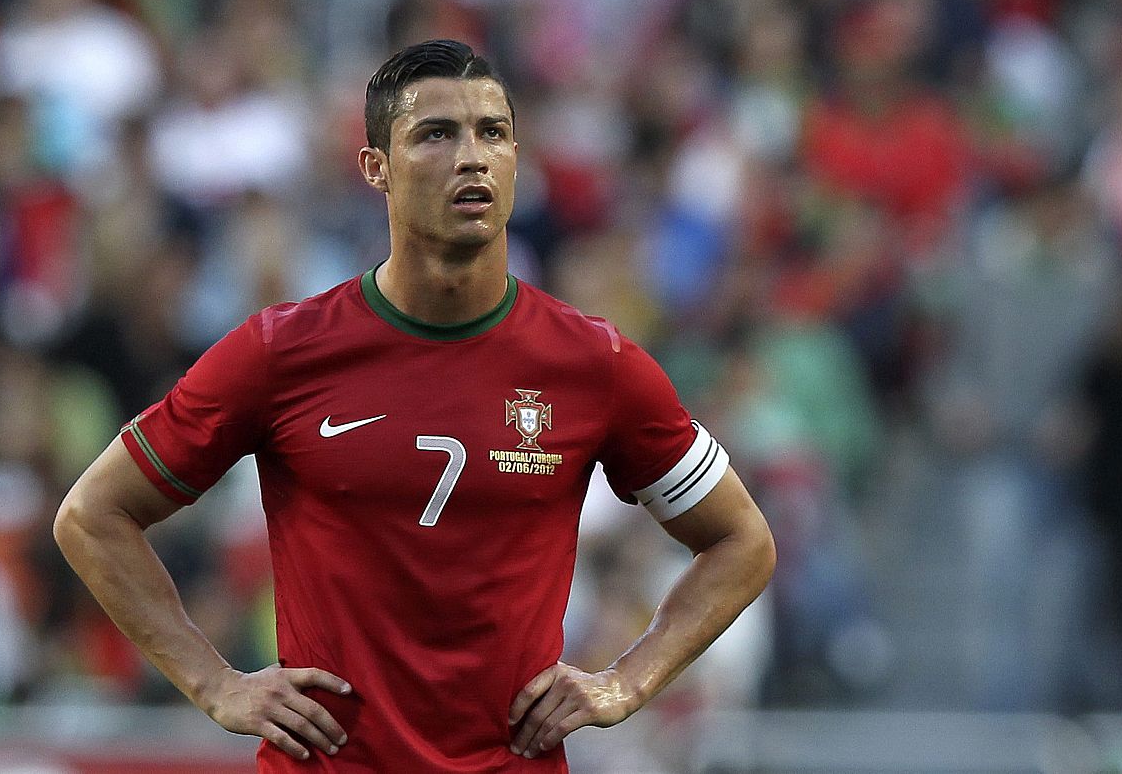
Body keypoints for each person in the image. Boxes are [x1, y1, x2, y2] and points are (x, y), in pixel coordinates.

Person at [53, 40, 777, 772]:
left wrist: (627, 679)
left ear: (518, 160)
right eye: (436, 134)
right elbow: (92, 515)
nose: (472, 156)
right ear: (376, 168)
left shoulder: (594, 365)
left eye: (492, 132)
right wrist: (214, 685)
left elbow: (742, 541)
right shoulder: (281, 352)